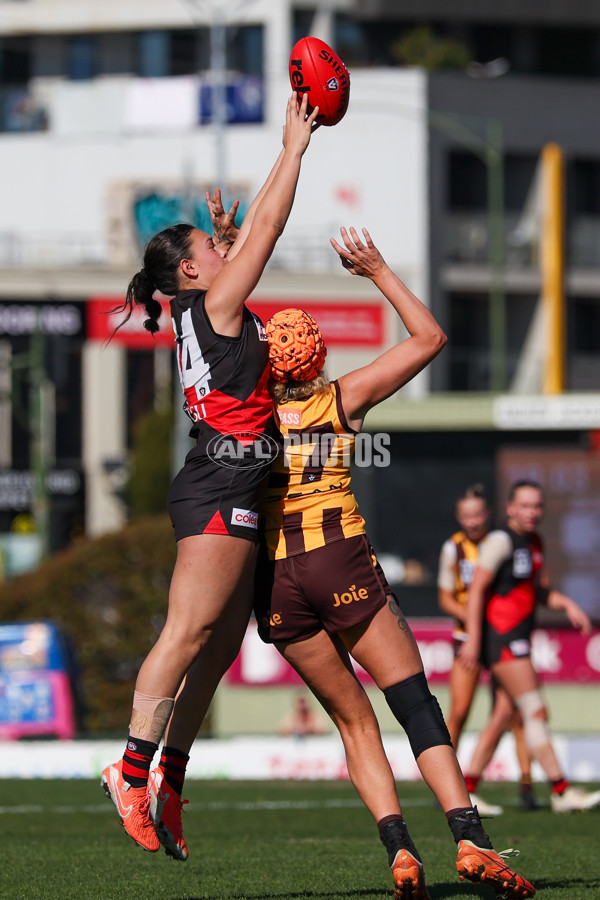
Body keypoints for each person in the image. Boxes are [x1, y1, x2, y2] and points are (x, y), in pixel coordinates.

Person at [254, 227, 535, 900]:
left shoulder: (245, 415)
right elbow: (430, 337)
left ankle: (400, 851)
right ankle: (469, 835)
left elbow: (227, 336)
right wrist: (377, 269)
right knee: (413, 704)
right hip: (337, 560)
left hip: (277, 581)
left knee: (354, 722)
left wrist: (235, 250)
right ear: (316, 354)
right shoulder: (338, 398)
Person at [100, 92, 320, 858]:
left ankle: (170, 780)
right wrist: (293, 148)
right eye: (213, 249)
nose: (228, 251)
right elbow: (268, 228)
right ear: (192, 270)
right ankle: (130, 773)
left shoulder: (211, 304)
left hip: (231, 481)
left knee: (222, 642)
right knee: (189, 630)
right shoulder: (216, 303)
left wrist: (224, 241)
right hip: (219, 485)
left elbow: (241, 247)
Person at [460, 479, 600, 814]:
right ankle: (561, 790)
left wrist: (565, 603)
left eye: (537, 506)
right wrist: (474, 640)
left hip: (516, 638)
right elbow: (476, 590)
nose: (532, 512)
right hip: (503, 639)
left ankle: (467, 790)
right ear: (510, 508)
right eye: (524, 505)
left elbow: (533, 591)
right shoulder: (499, 541)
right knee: (535, 710)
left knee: (502, 716)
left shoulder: (533, 541)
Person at [438, 485, 536, 814]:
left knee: (514, 714)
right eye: (467, 516)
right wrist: (473, 619)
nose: (473, 521)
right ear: (458, 517)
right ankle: (446, 784)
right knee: (460, 711)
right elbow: (445, 597)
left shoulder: (500, 543)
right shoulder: (453, 548)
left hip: (497, 639)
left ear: (488, 514)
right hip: (468, 639)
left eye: (478, 514)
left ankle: (527, 785)